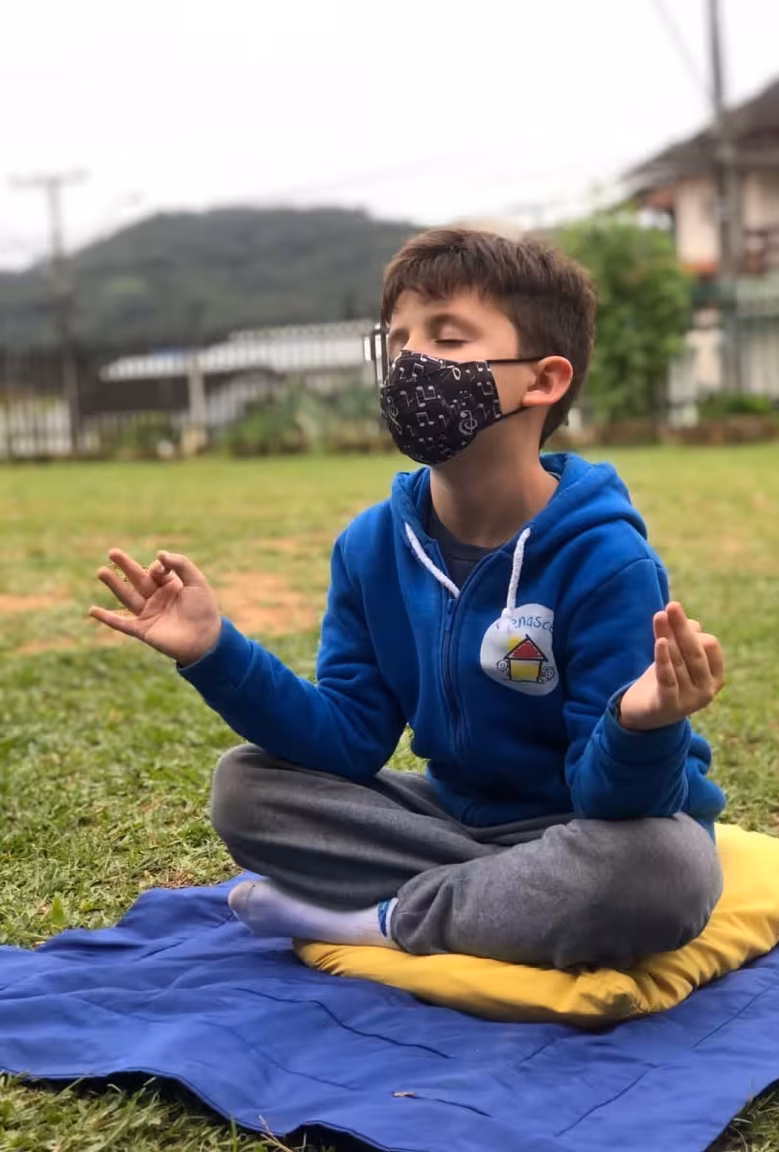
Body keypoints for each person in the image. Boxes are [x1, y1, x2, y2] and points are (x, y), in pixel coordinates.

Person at [91, 228, 726, 971]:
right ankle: (499, 902)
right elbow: (349, 738)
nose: (411, 362)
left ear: (544, 380)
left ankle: (383, 920)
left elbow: (609, 801)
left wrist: (641, 723)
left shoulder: (606, 559)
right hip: (450, 822)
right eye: (398, 341)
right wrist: (215, 652)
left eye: (447, 338)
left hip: (595, 826)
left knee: (665, 872)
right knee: (245, 788)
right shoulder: (370, 547)